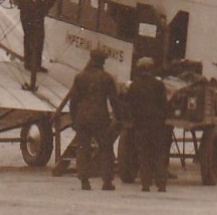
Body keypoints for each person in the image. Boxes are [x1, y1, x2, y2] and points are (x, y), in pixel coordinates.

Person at [64, 47, 120, 190]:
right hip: (100, 118)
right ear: (103, 62)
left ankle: (84, 181)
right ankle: (107, 181)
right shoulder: (107, 78)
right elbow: (114, 100)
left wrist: (74, 119)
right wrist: (119, 116)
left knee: (83, 149)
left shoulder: (80, 77)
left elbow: (73, 101)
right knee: (106, 148)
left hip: (82, 118)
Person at [123, 57, 171, 192]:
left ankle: (145, 184)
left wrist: (132, 120)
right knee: (159, 154)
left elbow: (128, 103)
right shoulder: (159, 85)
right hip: (157, 126)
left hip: (141, 126)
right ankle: (161, 185)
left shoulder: (134, 85)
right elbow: (164, 105)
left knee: (144, 155)